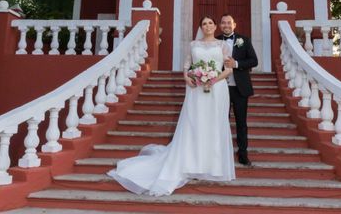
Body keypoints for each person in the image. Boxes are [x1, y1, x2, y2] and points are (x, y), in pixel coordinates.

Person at [107, 16, 235, 196]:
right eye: (204, 23)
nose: (207, 26)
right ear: (201, 27)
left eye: (210, 23)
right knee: (194, 124)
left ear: (215, 27)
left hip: (217, 90)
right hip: (196, 89)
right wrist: (187, 77)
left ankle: (212, 166)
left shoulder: (223, 46)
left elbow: (228, 69)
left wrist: (213, 80)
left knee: (214, 125)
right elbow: (187, 65)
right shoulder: (193, 45)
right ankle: (191, 163)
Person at [217, 13, 258, 166]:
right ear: (220, 25)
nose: (226, 25)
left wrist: (237, 64)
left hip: (240, 88)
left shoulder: (244, 40)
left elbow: (254, 61)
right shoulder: (215, 41)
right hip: (221, 87)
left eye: (229, 22)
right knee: (221, 121)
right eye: (223, 23)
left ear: (234, 25)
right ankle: (221, 154)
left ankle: (243, 154)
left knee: (241, 123)